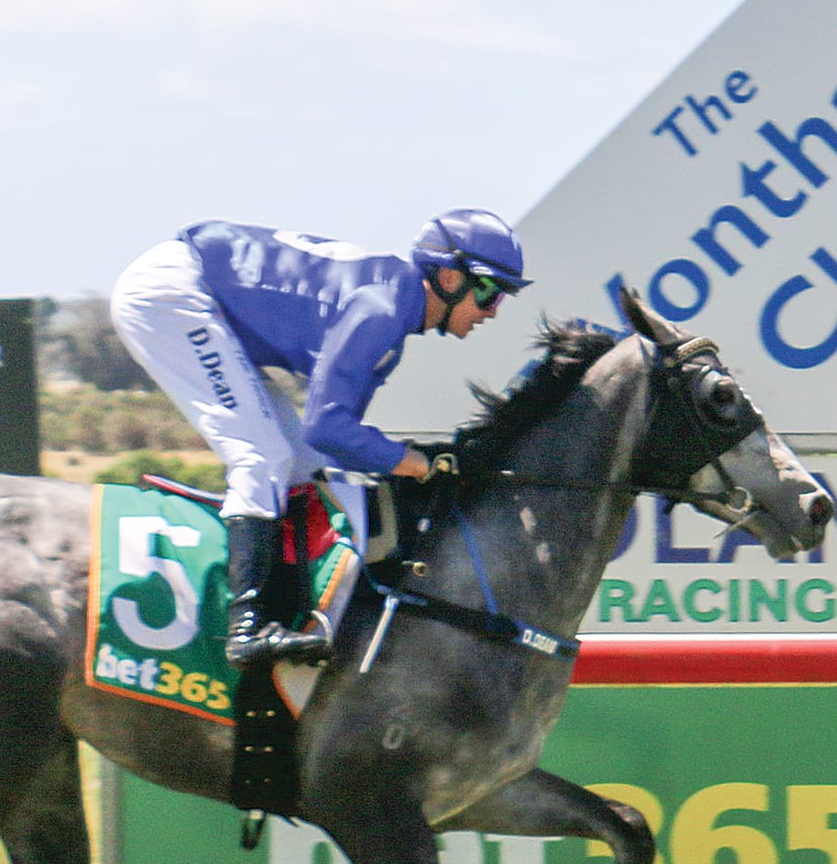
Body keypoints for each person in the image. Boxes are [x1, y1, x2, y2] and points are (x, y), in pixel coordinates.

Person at [109, 208, 529, 670]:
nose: (493, 311)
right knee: (261, 456)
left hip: (201, 292)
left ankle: (292, 607)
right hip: (172, 293)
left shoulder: (392, 322)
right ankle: (246, 627)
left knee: (302, 465)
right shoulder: (382, 310)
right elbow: (328, 426)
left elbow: (332, 445)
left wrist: (412, 458)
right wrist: (415, 463)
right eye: (489, 292)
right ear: (449, 278)